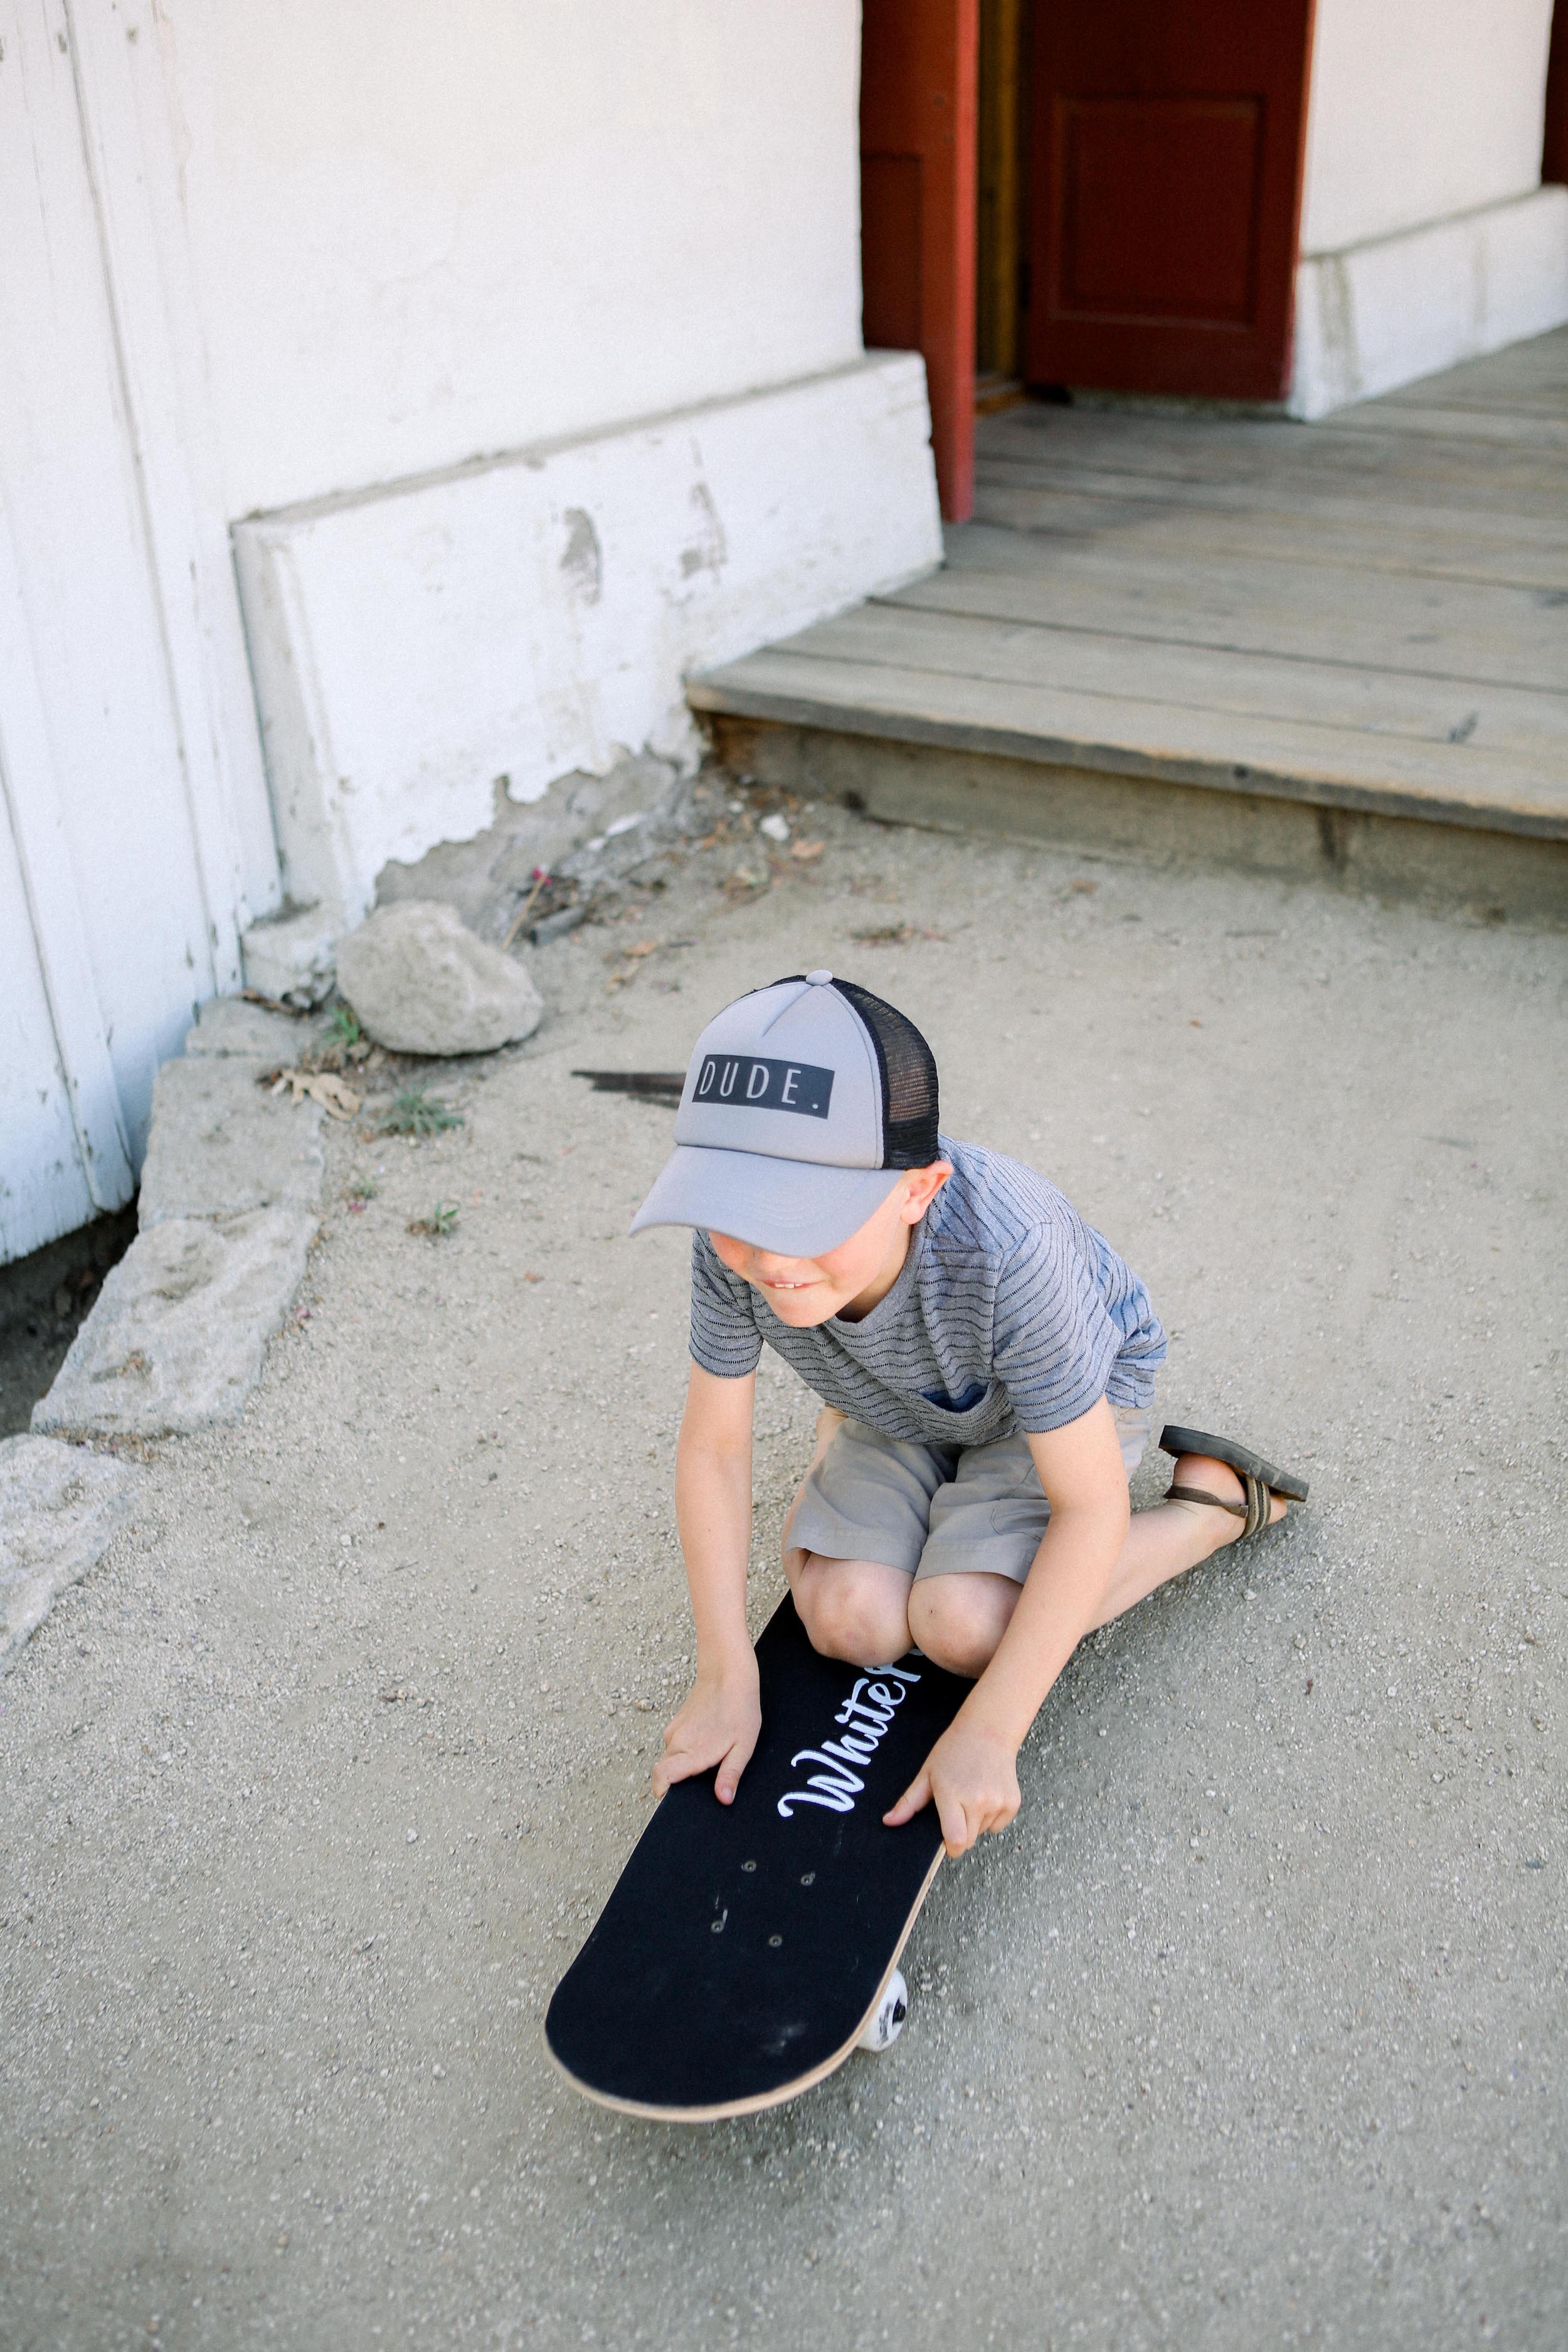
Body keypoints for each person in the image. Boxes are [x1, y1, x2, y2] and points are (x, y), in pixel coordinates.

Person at [630, 971, 1306, 1859]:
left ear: (919, 1187)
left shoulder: (1009, 1247)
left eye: (805, 1213)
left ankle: (1207, 1512)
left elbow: (1089, 1506)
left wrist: (991, 1730)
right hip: (899, 1401)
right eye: (738, 1211)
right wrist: (724, 1669)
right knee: (850, 1619)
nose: (765, 1254)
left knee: (964, 1625)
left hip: (1052, 1416)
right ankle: (876, 1453)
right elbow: (715, 1450)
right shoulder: (735, 1244)